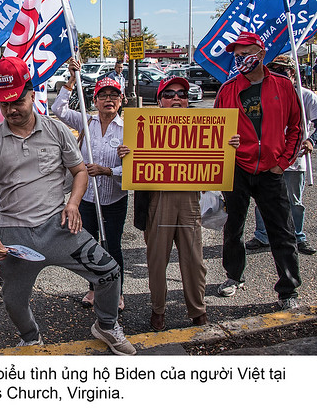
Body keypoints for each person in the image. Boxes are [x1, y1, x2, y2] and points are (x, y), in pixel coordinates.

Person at [0, 57, 135, 355]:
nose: (10, 110)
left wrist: (73, 204)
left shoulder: (56, 130)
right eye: (4, 104)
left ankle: (107, 324)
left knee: (109, 272)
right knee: (13, 299)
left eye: (17, 102)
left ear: (32, 95)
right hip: (15, 235)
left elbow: (80, 171)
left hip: (59, 226)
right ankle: (30, 336)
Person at [120, 76, 240, 331]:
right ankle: (158, 310)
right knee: (156, 261)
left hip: (189, 200)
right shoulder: (144, 125)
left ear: (187, 100)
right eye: (169, 94)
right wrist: (126, 155)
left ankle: (198, 311)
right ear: (160, 101)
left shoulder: (203, 125)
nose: (176, 98)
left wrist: (229, 144)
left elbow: (216, 160)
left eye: (182, 94)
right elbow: (132, 164)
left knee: (194, 261)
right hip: (157, 200)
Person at [214, 31, 303, 310]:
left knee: (282, 231)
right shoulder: (227, 89)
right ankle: (234, 276)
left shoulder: (283, 85)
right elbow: (215, 131)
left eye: (246, 53)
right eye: (237, 55)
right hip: (238, 169)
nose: (240, 59)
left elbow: (296, 128)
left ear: (261, 54)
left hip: (271, 171)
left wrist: (282, 163)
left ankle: (288, 289)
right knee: (233, 228)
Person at [52, 58, 127, 312]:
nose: (108, 100)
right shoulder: (86, 121)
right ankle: (94, 288)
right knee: (89, 246)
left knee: (112, 246)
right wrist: (72, 79)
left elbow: (135, 168)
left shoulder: (127, 129)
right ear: (94, 101)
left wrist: (108, 171)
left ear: (121, 100)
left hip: (114, 200)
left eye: (114, 95)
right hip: (87, 199)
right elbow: (59, 108)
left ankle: (117, 293)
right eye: (103, 95)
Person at [246, 55, 317, 256]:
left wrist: (311, 141)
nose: (276, 74)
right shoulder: (263, 93)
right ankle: (263, 235)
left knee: (294, 202)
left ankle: (298, 236)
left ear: (292, 72)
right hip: (267, 158)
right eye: (274, 70)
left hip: (295, 159)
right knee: (263, 199)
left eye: (281, 70)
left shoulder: (306, 96)